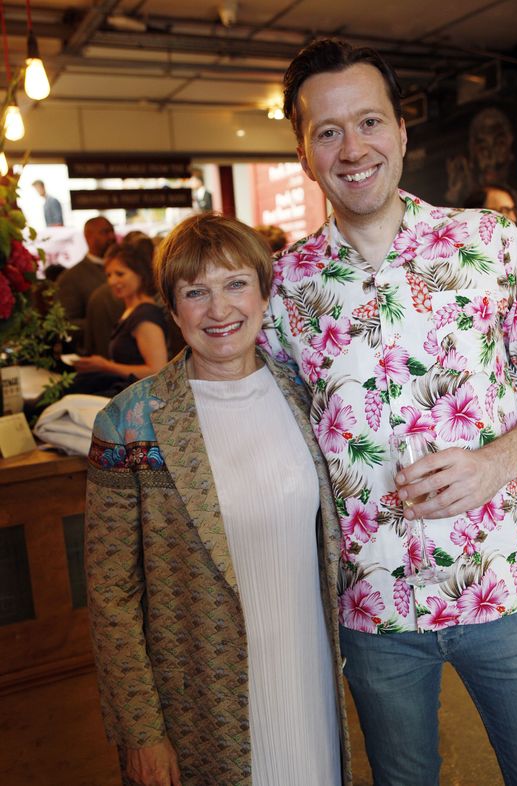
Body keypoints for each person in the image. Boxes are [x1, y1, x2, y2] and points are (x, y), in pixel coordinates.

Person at [261, 38, 517, 785]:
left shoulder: (487, 244)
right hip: (374, 612)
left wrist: (496, 462)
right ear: (304, 151)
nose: (353, 148)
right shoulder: (284, 289)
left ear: (403, 133)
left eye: (370, 121)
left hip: (507, 590)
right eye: (327, 131)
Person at [85, 213, 352, 786]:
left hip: (311, 687)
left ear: (263, 291)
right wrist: (142, 733)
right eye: (195, 292)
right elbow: (111, 593)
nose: (220, 309)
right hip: (200, 706)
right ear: (173, 308)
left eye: (235, 284)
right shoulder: (129, 424)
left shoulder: (308, 397)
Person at [72, 242, 168, 396]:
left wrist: (105, 365)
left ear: (140, 274)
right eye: (109, 275)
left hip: (134, 400)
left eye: (120, 274)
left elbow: (156, 370)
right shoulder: (131, 310)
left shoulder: (145, 315)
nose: (112, 281)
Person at [56, 216, 116, 351]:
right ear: (88, 236)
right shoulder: (71, 277)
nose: (112, 237)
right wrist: (104, 323)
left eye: (112, 231)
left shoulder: (129, 271)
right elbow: (66, 324)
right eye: (105, 232)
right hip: (97, 353)